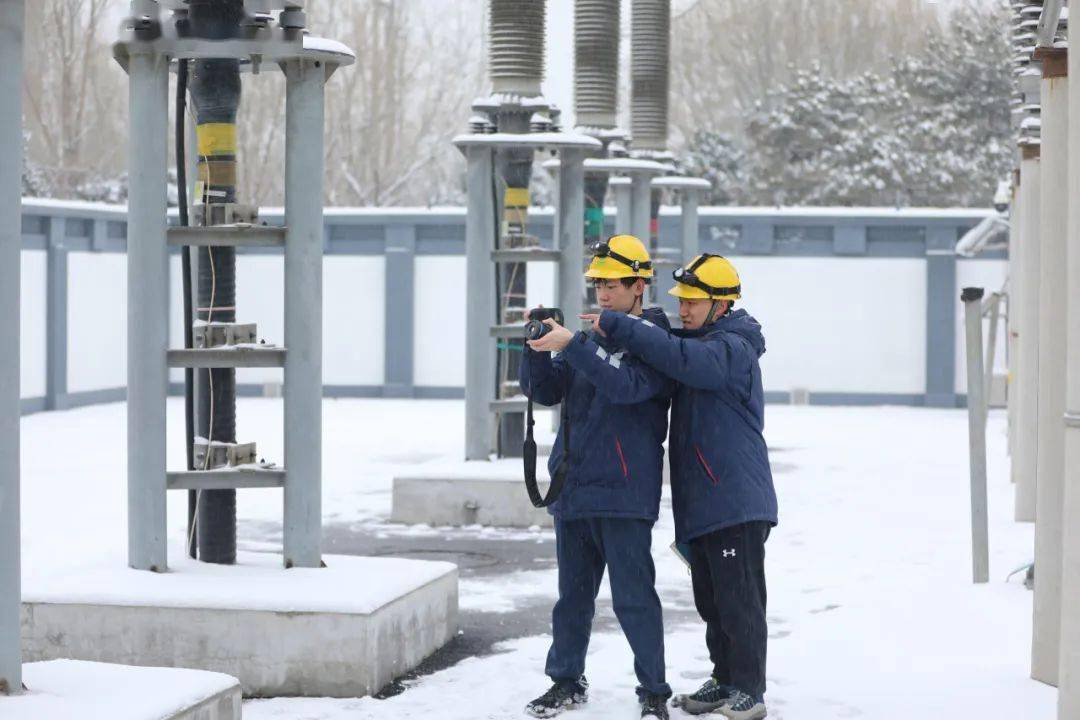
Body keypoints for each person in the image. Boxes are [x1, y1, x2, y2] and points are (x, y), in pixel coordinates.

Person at [585, 254, 777, 720]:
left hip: (735, 499)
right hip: (706, 500)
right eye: (681, 301)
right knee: (712, 600)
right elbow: (666, 353)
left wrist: (621, 325)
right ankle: (725, 678)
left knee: (740, 601)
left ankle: (750, 689)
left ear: (721, 304)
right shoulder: (702, 340)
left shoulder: (731, 348)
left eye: (693, 301)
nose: (683, 310)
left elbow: (681, 357)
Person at [520, 234, 674, 720]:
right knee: (572, 600)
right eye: (597, 283)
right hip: (575, 488)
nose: (602, 292)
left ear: (638, 285)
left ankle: (653, 691)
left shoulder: (655, 338)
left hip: (625, 493)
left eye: (612, 283)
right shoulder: (587, 338)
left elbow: (627, 386)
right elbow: (546, 392)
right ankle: (565, 680)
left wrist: (577, 344)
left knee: (634, 600)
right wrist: (538, 346)